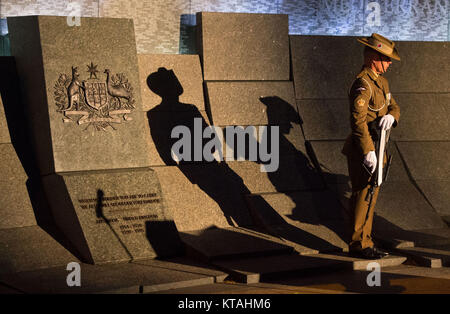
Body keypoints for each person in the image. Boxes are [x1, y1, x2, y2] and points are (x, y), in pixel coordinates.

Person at [342, 33, 401, 259]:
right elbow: (357, 121)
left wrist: (392, 118)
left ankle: (366, 241)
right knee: (363, 195)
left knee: (371, 195)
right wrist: (368, 150)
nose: (388, 64)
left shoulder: (382, 82)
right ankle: (359, 244)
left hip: (379, 146)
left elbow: (394, 106)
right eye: (385, 59)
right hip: (364, 149)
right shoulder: (363, 84)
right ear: (373, 57)